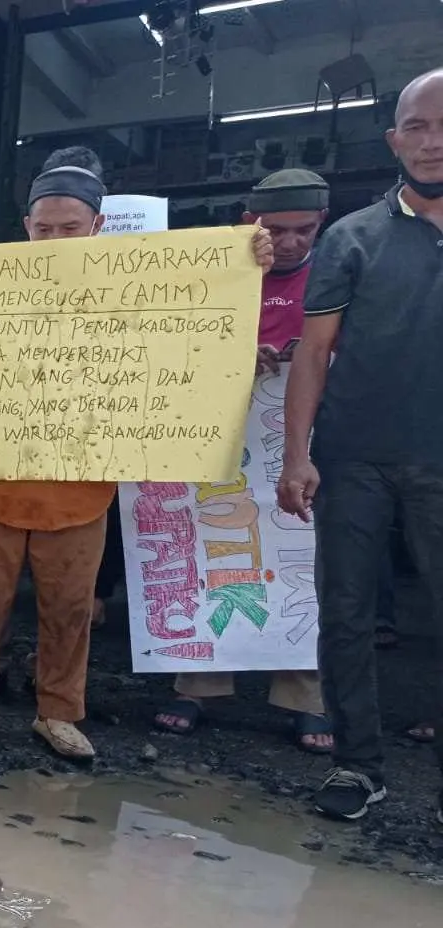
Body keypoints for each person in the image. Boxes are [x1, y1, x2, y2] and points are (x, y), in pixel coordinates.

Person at [0, 148, 274, 762]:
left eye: (68, 229)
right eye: (43, 229)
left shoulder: (134, 291)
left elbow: (197, 321)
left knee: (69, 609)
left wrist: (251, 266)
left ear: (96, 228)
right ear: (25, 228)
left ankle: (59, 712)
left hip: (82, 488)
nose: (55, 240)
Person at [278, 69, 443, 823]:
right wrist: (296, 454)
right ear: (394, 140)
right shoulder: (352, 238)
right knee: (344, 613)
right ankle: (357, 766)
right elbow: (314, 354)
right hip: (354, 458)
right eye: (417, 125)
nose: (433, 140)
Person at [154, 169, 334, 754]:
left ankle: (304, 695)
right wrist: (229, 353)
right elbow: (166, 338)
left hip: (301, 437)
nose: (289, 242)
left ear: (321, 224)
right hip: (219, 434)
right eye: (275, 228)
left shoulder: (336, 273)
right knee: (209, 548)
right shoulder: (214, 267)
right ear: (248, 219)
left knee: (299, 560)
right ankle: (197, 681)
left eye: (303, 229)